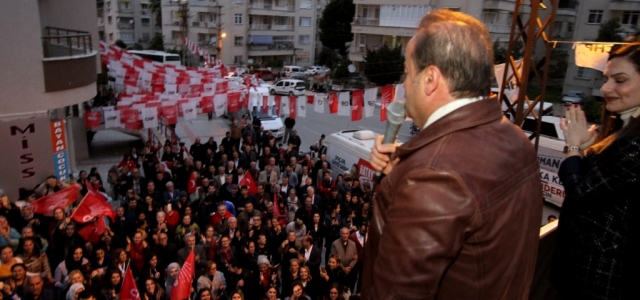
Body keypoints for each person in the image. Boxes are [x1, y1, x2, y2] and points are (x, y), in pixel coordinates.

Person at [364, 9, 542, 299]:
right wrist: (403, 172)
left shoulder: (431, 176)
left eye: (408, 74)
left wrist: (410, 178)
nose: (404, 85)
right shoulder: (515, 137)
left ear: (431, 78)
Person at [550, 42, 640, 299]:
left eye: (619, 80)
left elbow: (581, 193)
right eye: (606, 79)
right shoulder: (626, 128)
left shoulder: (636, 143)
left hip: (602, 281)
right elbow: (607, 188)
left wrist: (573, 147)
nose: (605, 88)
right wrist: (590, 149)